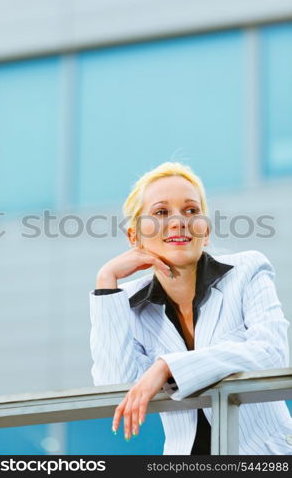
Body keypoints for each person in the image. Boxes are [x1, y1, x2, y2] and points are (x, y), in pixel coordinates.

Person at [89, 162, 292, 455]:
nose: (178, 221)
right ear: (135, 237)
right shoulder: (129, 303)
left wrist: (168, 367)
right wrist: (106, 283)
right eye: (161, 212)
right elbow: (114, 388)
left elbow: (270, 353)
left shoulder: (248, 270)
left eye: (191, 211)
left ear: (205, 231)